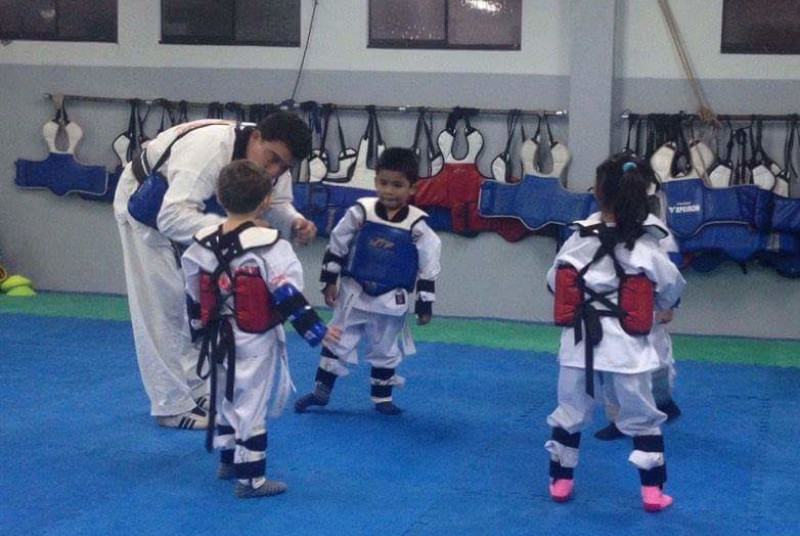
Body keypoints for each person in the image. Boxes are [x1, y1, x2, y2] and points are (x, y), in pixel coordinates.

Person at [113, 111, 316, 429]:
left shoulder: (271, 160)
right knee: (161, 304)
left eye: (284, 166)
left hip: (198, 214)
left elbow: (276, 204)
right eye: (273, 159)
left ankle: (198, 390)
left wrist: (294, 222)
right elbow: (171, 217)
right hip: (144, 203)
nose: (275, 170)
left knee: (197, 306)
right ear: (257, 137)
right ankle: (170, 405)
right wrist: (237, 229)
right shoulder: (208, 149)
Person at [182, 160, 339, 498]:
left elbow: (193, 291)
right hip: (253, 338)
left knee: (224, 397)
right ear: (266, 200)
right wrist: (317, 331)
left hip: (216, 336)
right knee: (250, 404)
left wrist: (197, 329)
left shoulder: (201, 243)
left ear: (219, 197)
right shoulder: (271, 246)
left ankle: (228, 461)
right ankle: (251, 479)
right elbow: (287, 294)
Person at [544, 153, 686, 512]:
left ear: (597, 194)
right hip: (629, 350)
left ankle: (560, 482)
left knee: (570, 412)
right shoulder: (648, 246)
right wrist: (659, 304)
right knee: (642, 418)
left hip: (578, 346)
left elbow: (554, 282)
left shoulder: (578, 239)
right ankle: (652, 493)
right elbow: (671, 287)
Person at [294, 148, 442, 416]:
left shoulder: (418, 225)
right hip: (354, 292)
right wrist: (329, 280)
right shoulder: (361, 212)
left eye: (397, 185)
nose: (389, 191)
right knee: (337, 339)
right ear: (375, 181)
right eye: (383, 183)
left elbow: (429, 265)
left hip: (391, 297)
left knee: (386, 347)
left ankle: (382, 398)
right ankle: (321, 391)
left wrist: (424, 304)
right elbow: (337, 243)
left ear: (412, 188)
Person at [594, 218, 683, 441]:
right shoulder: (595, 224)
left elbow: (671, 269)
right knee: (608, 363)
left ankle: (662, 400)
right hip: (608, 304)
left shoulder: (653, 227)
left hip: (646, 302)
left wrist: (670, 305)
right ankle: (616, 419)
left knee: (657, 357)